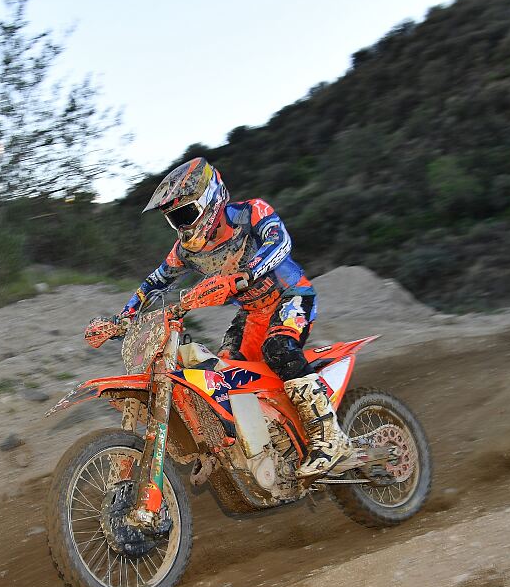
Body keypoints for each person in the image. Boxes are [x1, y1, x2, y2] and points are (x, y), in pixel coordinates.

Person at [119, 157, 352, 478]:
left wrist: (247, 273)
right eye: (175, 220)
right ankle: (251, 445)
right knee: (225, 374)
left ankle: (330, 437)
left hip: (291, 297)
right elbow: (154, 282)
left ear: (210, 200)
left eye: (186, 214)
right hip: (252, 313)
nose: (183, 226)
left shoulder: (251, 212)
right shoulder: (185, 251)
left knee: (279, 349)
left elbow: (280, 242)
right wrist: (124, 317)